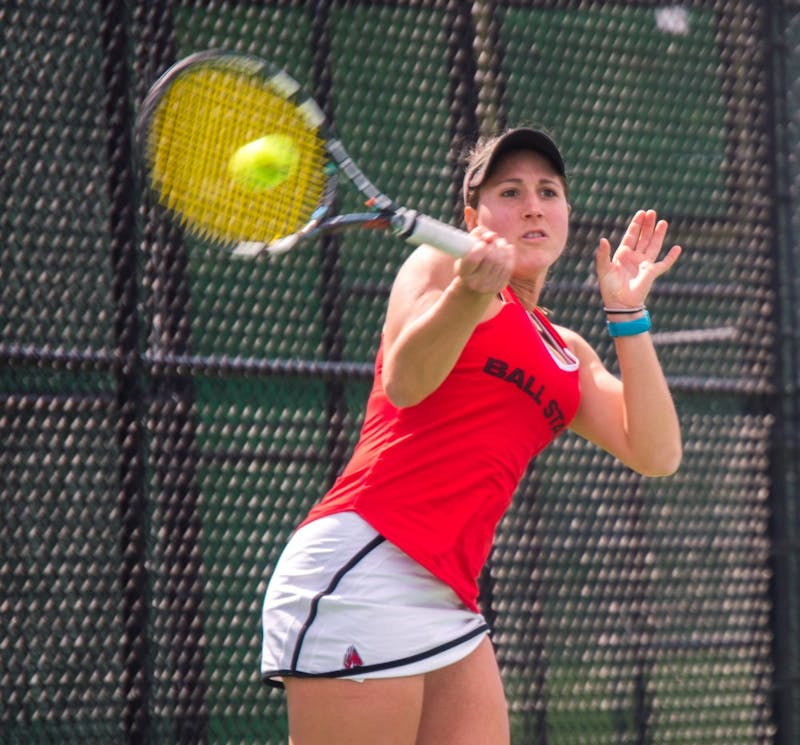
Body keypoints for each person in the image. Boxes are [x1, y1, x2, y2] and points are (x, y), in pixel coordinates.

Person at [260, 127, 683, 745]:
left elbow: (657, 453)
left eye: (548, 191)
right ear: (471, 217)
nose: (534, 205)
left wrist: (626, 313)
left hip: (446, 594)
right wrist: (468, 290)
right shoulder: (439, 265)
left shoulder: (566, 350)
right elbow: (406, 383)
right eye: (509, 191)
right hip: (367, 564)